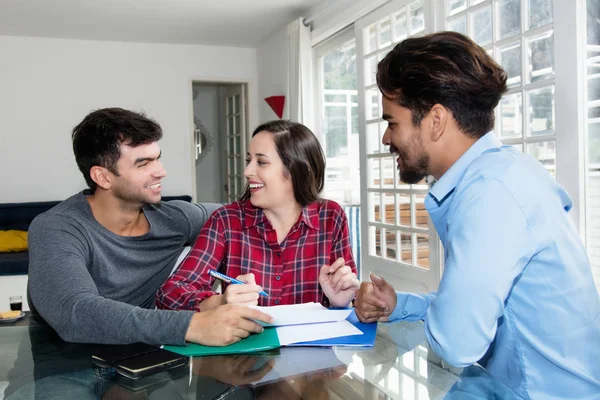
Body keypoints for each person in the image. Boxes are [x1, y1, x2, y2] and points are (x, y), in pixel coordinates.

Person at [354, 31, 600, 398]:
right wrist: (399, 304)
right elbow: (479, 307)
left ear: (435, 120)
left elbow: (457, 340)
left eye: (393, 122)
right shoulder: (500, 175)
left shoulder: (490, 194)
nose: (387, 139)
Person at [27, 107, 272, 347]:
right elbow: (75, 312)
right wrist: (192, 325)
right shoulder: (56, 229)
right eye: (143, 164)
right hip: (63, 364)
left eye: (158, 159)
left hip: (141, 360)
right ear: (102, 177)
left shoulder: (173, 219)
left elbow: (235, 215)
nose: (161, 172)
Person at [157, 120, 359, 311]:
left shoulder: (331, 217)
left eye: (261, 162)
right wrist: (221, 302)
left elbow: (348, 294)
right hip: (243, 347)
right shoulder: (226, 220)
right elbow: (169, 295)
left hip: (314, 347)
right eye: (249, 160)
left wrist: (339, 303)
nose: (247, 171)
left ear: (298, 170)